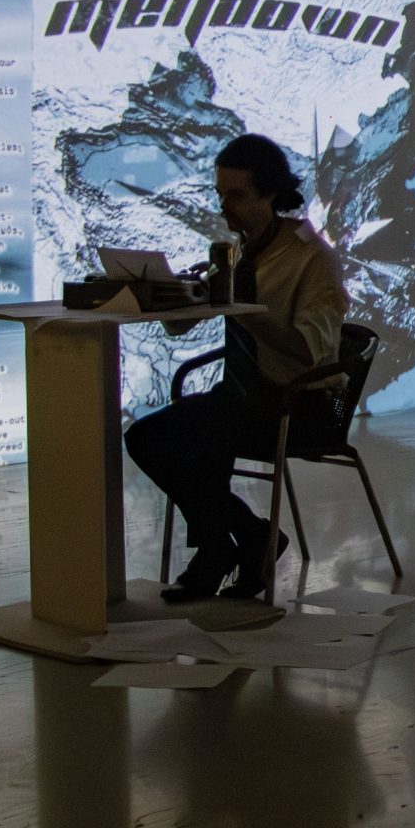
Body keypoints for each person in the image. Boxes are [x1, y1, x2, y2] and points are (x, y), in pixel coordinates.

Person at [122, 134, 349, 600]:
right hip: (245, 397)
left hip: (302, 404)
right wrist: (176, 295)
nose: (225, 207)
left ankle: (217, 551)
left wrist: (242, 309)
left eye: (238, 196)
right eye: (220, 195)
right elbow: (178, 330)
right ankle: (247, 535)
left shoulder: (313, 258)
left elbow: (309, 352)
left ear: (272, 194)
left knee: (203, 433)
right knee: (145, 437)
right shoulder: (240, 254)